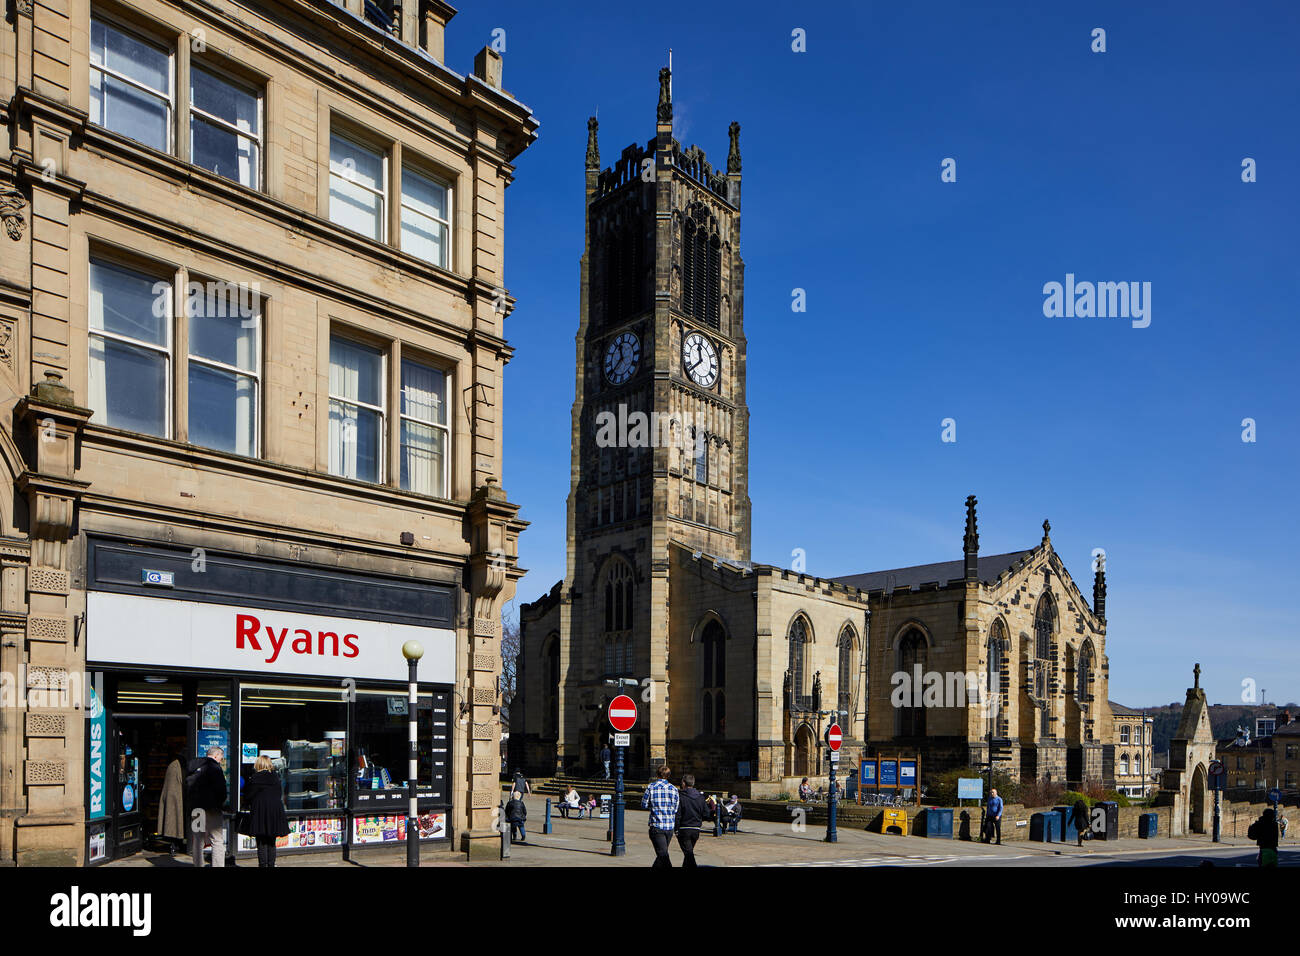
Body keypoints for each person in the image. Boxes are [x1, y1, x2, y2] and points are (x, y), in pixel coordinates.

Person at [241, 755, 290, 867]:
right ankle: (271, 864)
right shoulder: (276, 778)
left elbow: (248, 796)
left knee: (261, 841)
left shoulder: (255, 778)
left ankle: (263, 864)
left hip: (260, 812)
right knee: (271, 841)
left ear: (258, 764)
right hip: (275, 811)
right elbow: (279, 794)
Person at [186, 747, 228, 867]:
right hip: (212, 808)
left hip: (196, 808)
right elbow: (221, 790)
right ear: (216, 755)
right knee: (217, 840)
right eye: (221, 757)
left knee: (198, 840)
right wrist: (220, 803)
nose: (221, 759)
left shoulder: (194, 766)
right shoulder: (215, 768)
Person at [640, 765, 679, 868]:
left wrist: (653, 806)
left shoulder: (651, 787)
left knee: (663, 855)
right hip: (669, 826)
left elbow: (643, 804)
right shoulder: (674, 789)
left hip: (656, 825)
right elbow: (675, 809)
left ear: (657, 774)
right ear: (668, 776)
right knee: (662, 854)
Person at [156, 753, 186, 855]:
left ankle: (175, 844)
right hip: (176, 798)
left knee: (174, 821)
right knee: (175, 821)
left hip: (175, 798)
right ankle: (175, 844)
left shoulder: (173, 765)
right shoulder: (177, 766)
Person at [676, 774, 708, 868]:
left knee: (689, 854)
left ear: (683, 783)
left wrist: (676, 829)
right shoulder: (701, 797)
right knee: (688, 853)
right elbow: (706, 813)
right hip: (696, 829)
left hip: (684, 828)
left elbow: (678, 814)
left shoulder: (681, 796)